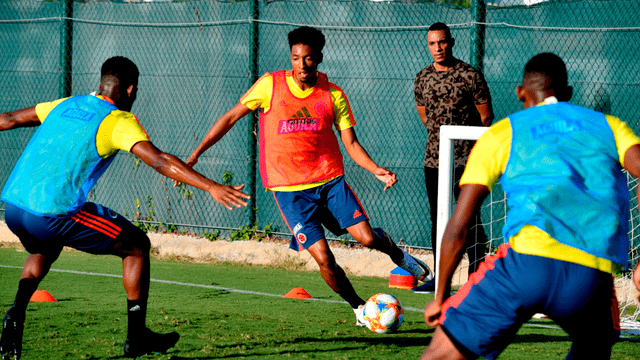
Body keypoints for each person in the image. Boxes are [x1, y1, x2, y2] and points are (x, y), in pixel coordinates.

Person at [0, 56, 250, 359]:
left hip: (14, 206)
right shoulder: (116, 119)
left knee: (42, 250)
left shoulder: (68, 103)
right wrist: (211, 185)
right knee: (136, 245)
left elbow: (9, 119)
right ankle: (136, 338)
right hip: (53, 212)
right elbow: (158, 159)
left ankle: (15, 313)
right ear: (130, 90)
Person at [184, 26, 432, 326]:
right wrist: (196, 154)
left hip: (329, 181)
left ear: (319, 58)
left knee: (366, 239)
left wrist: (374, 168)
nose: (302, 65)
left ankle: (397, 253)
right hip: (290, 192)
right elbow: (228, 118)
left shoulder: (333, 95)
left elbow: (350, 143)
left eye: (308, 58)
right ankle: (359, 310)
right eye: (296, 58)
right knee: (324, 258)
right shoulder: (270, 85)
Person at [421, 52, 640, 360]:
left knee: (440, 355)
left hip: (524, 266)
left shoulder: (502, 133)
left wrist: (440, 295)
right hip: (591, 278)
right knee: (597, 343)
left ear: (520, 92)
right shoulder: (610, 126)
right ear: (567, 94)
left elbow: (459, 226)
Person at [414, 22, 494, 291]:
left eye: (442, 42)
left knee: (469, 218)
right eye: (432, 43)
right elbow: (424, 115)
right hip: (434, 161)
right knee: (438, 218)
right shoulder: (422, 77)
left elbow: (486, 118)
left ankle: (476, 279)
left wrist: (474, 153)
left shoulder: (471, 75)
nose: (438, 48)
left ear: (452, 41)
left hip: (466, 161)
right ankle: (441, 281)